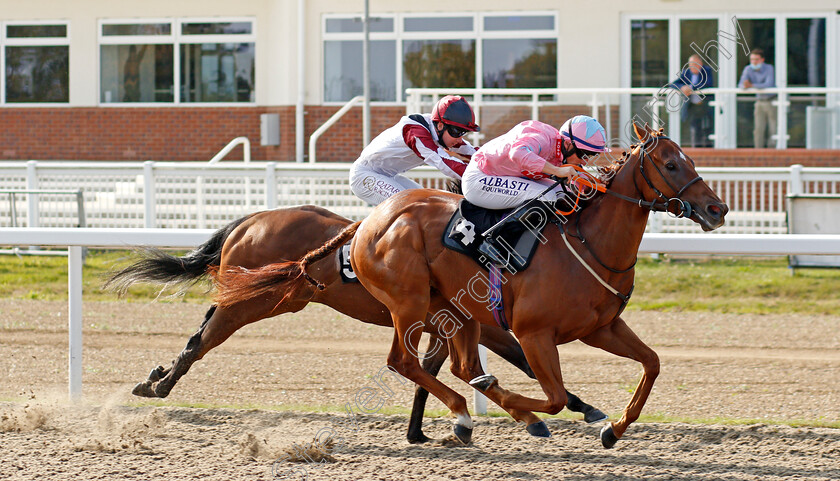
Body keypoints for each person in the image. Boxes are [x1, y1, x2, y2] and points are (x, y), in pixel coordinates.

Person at [349, 95, 480, 206]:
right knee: (410, 206)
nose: (459, 138)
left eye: (464, 133)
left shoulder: (439, 129)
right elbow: (443, 161)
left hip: (388, 176)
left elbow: (471, 151)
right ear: (440, 125)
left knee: (429, 204)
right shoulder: (415, 133)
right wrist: (479, 178)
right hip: (364, 175)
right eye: (457, 132)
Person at [461, 115, 608, 211]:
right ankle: (498, 249)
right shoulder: (542, 138)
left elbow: (580, 186)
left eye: (591, 155)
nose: (584, 161)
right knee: (549, 197)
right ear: (568, 144)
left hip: (502, 175)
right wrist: (557, 172)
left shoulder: (562, 151)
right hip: (479, 178)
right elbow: (517, 153)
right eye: (584, 154)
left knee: (566, 195)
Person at [670, 55, 714, 147]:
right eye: (691, 64)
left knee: (707, 127)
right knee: (695, 127)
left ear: (700, 64)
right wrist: (682, 87)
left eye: (695, 64)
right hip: (692, 105)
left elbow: (707, 84)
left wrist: (690, 88)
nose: (692, 66)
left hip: (705, 104)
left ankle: (708, 147)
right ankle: (696, 147)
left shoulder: (707, 71)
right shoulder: (686, 73)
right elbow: (673, 84)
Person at [738, 48, 777, 148]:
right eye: (752, 60)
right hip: (759, 101)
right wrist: (746, 85)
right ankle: (758, 150)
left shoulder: (769, 68)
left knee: (773, 128)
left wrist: (751, 85)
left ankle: (772, 150)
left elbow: (769, 84)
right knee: (758, 129)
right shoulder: (748, 69)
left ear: (762, 60)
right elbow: (741, 85)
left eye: (756, 59)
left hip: (772, 100)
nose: (754, 62)